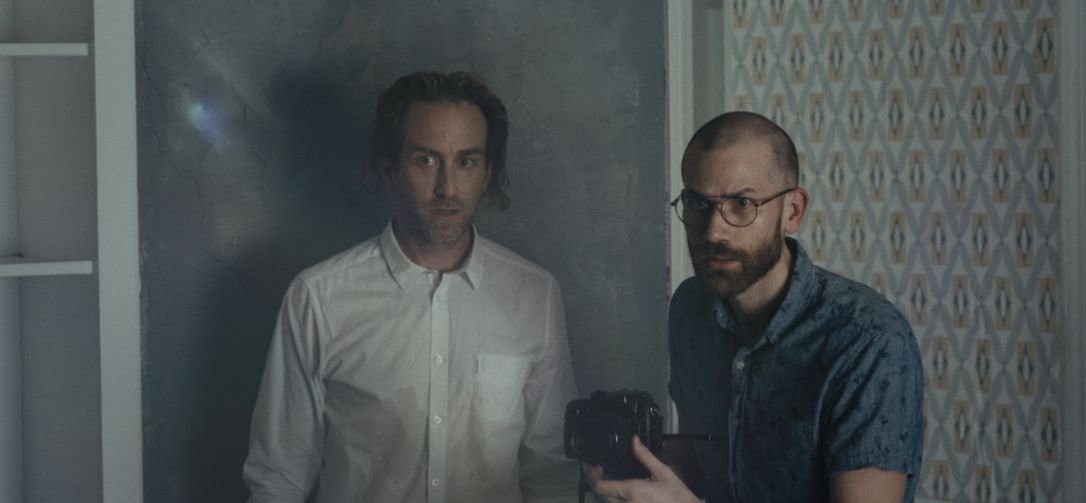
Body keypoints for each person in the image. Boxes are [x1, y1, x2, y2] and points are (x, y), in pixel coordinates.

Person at [243, 71, 578, 503]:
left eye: (466, 162)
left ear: (488, 172)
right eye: (426, 160)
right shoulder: (319, 298)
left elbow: (552, 476)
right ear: (388, 167)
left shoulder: (535, 296)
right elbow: (279, 478)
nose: (448, 188)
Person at [588, 111, 924, 502]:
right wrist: (631, 474)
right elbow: (695, 466)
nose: (714, 230)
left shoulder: (868, 342)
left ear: (793, 212)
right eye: (697, 202)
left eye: (742, 203)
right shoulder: (690, 308)